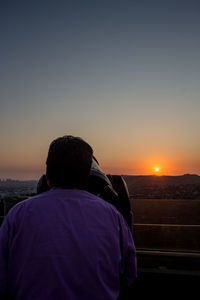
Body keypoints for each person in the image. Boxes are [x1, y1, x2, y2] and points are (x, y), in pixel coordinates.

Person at [0, 135, 137, 300]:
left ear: (47, 175)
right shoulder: (114, 217)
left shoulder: (17, 214)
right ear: (87, 176)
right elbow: (128, 275)